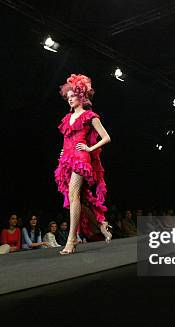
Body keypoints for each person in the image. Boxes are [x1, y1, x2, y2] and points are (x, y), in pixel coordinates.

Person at [54, 74, 112, 254]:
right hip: (67, 158)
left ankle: (72, 240)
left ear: (82, 96)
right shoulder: (66, 118)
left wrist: (89, 148)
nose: (70, 99)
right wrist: (63, 151)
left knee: (73, 195)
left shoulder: (89, 116)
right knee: (78, 199)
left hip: (80, 158)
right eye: (68, 96)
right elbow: (67, 138)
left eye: (73, 95)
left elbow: (106, 137)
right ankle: (101, 224)